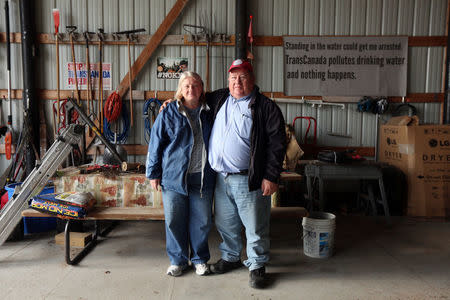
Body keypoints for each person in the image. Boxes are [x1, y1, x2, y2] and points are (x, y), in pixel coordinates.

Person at [206, 59, 286, 289]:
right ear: (228, 81)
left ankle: (257, 265)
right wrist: (173, 101)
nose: (237, 82)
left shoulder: (265, 107)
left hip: (248, 179)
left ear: (252, 79)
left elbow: (277, 144)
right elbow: (192, 99)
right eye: (233, 78)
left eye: (242, 77)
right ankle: (231, 257)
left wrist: (271, 176)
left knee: (255, 225)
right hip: (221, 177)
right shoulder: (219, 99)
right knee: (225, 222)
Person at [146, 71, 216, 277]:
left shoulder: (210, 111)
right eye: (186, 86)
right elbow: (155, 143)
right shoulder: (169, 112)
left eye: (195, 85)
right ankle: (178, 260)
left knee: (202, 221)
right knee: (174, 220)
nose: (191, 89)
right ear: (180, 89)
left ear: (202, 87)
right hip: (174, 177)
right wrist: (153, 173)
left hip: (203, 177)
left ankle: (200, 260)